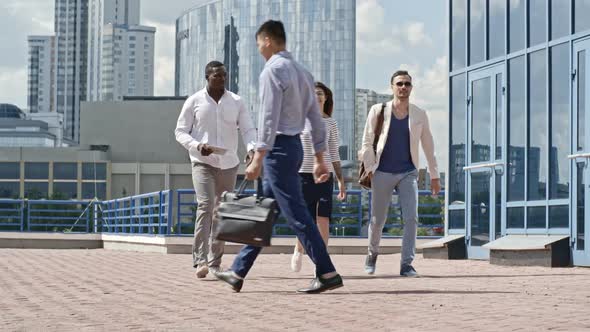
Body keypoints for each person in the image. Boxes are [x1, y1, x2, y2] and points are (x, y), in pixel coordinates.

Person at [214, 20, 343, 294]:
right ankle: (238, 271)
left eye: (259, 42)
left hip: (277, 150)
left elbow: (268, 117)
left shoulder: (272, 70)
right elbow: (315, 118)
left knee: (297, 214)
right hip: (294, 147)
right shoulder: (303, 73)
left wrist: (259, 155)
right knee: (266, 211)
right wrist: (320, 156)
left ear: (268, 40)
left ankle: (327, 271)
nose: (258, 47)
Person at [175, 60, 256, 279]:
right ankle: (200, 259)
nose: (221, 79)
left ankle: (215, 261)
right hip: (202, 162)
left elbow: (248, 129)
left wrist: (251, 149)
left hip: (229, 163)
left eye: (223, 75)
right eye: (216, 76)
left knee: (221, 211)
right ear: (207, 77)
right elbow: (180, 131)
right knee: (205, 204)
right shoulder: (194, 101)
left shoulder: (237, 101)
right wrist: (197, 145)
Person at [359, 70, 440, 277]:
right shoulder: (378, 110)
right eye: (399, 84)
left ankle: (407, 264)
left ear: (411, 88)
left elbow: (428, 146)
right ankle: (372, 254)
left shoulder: (419, 114)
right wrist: (370, 168)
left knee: (411, 218)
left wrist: (434, 175)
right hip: (382, 171)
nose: (403, 87)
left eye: (407, 84)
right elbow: (367, 141)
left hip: (408, 172)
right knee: (378, 220)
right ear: (392, 87)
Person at [290, 82, 346, 272]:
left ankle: (321, 261)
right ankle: (299, 249)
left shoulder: (331, 122)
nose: (317, 96)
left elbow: (335, 153)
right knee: (305, 218)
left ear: (326, 97)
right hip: (302, 176)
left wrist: (340, 180)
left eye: (320, 93)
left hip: (325, 175)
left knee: (323, 218)